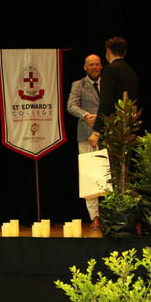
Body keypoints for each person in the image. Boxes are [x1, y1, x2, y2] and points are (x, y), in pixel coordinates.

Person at [67, 54, 105, 229]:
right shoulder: (79, 85)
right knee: (90, 176)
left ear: (101, 66)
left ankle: (114, 214)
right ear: (85, 67)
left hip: (109, 134)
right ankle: (95, 216)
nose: (94, 67)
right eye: (91, 65)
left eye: (97, 64)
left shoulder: (108, 83)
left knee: (111, 175)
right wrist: (86, 115)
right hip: (86, 136)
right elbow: (71, 105)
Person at [89, 36, 139, 147]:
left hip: (113, 129)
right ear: (124, 52)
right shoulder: (131, 72)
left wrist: (97, 131)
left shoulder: (110, 69)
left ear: (108, 51)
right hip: (128, 128)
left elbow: (106, 102)